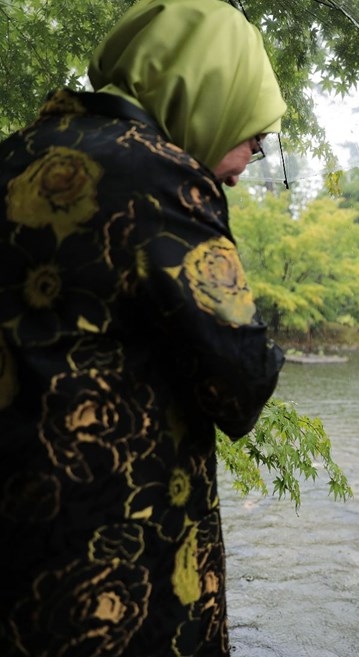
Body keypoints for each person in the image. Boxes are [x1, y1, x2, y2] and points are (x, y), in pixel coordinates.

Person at [0, 1, 287, 655]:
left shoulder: (14, 156)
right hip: (114, 568)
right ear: (206, 94)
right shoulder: (160, 176)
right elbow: (242, 382)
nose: (250, 158)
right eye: (253, 134)